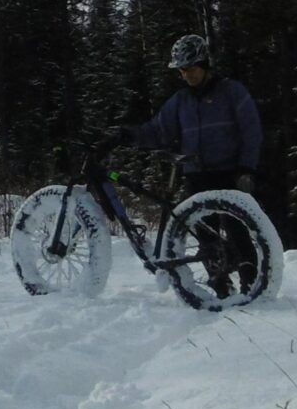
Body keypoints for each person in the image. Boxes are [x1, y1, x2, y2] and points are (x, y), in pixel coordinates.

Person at [100, 34, 263, 290]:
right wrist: (129, 135)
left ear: (204, 64)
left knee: (236, 230)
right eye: (182, 71)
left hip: (230, 172)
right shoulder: (181, 101)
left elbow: (251, 131)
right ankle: (220, 286)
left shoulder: (232, 92)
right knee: (205, 234)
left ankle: (252, 285)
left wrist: (247, 168)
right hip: (196, 174)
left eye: (190, 69)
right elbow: (159, 131)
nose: (187, 75)